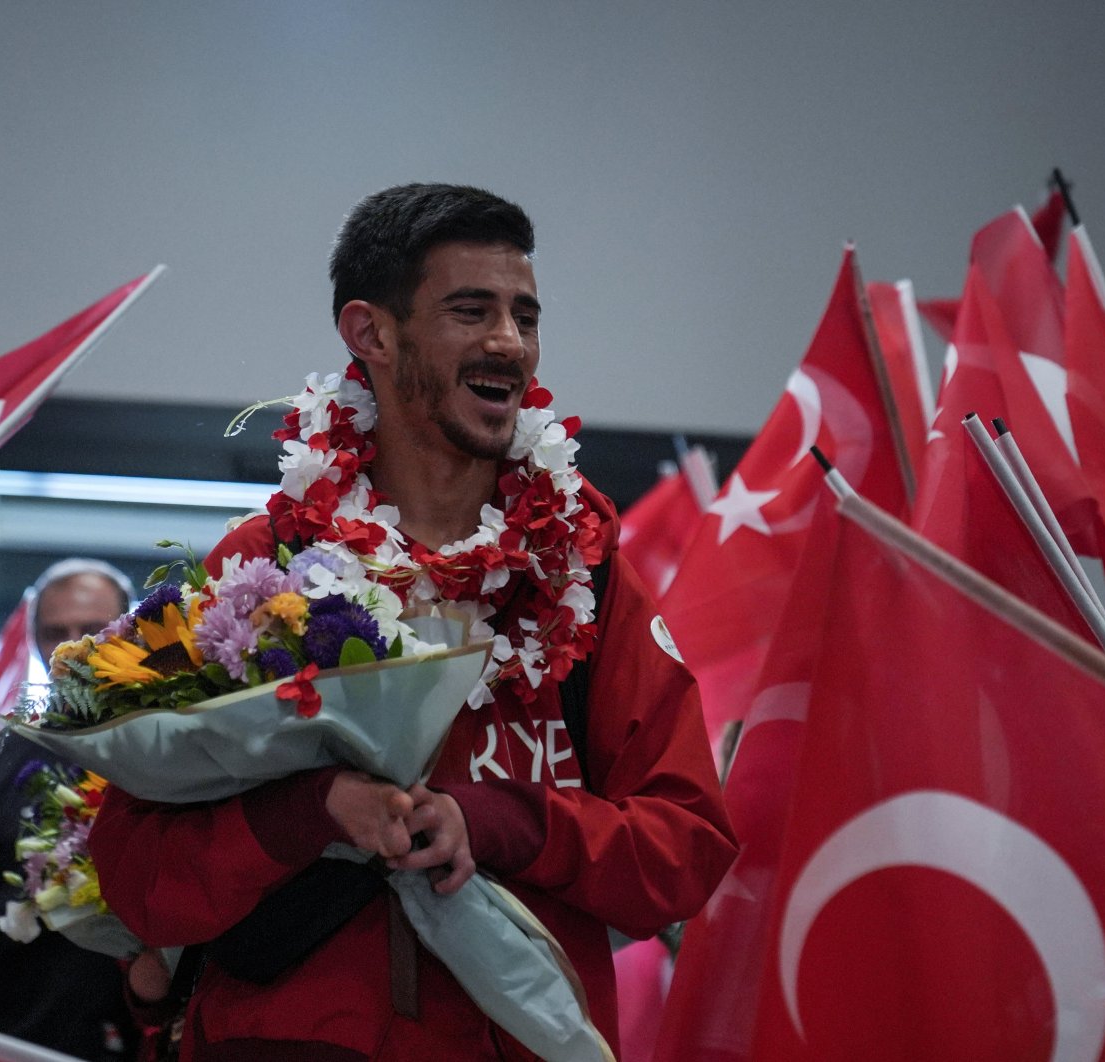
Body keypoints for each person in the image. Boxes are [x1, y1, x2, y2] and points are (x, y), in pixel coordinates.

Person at [90, 183, 738, 1060]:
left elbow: (686, 848)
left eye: (524, 314)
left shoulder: (584, 570)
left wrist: (504, 820)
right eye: (471, 311)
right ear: (373, 334)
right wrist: (315, 810)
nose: (508, 342)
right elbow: (138, 874)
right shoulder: (266, 565)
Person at [0, 558, 153, 1060]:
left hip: (154, 1029)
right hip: (24, 1033)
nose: (73, 648)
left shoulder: (183, 740)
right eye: (54, 633)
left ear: (132, 632)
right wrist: (51, 899)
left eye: (93, 630)